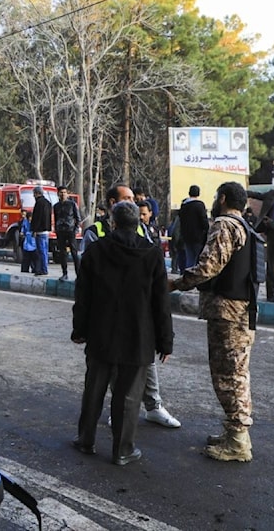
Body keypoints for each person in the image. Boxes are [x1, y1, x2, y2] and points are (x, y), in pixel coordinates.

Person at [71, 200, 173, 466]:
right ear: (138, 223)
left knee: (94, 389)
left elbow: (83, 297)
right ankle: (123, 450)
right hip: (138, 338)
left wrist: (79, 330)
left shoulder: (95, 251)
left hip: (100, 333)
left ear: (113, 223)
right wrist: (166, 341)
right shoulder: (152, 255)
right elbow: (161, 302)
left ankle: (86, 440)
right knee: (128, 397)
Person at [169, 181, 260, 462]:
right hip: (243, 310)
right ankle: (235, 432)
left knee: (227, 375)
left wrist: (176, 283)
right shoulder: (245, 226)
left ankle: (238, 441)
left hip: (227, 312)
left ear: (222, 198)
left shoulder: (224, 224)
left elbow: (209, 267)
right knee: (236, 372)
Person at [82, 183, 181, 429]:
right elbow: (86, 283)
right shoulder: (95, 233)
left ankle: (153, 406)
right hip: (108, 315)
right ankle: (119, 415)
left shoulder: (143, 231)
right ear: (112, 204)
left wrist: (163, 336)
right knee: (113, 368)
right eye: (127, 198)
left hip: (138, 317)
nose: (134, 202)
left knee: (144, 364)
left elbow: (156, 286)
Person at [53, 185, 82, 282]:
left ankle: (79, 274)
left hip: (70, 230)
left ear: (67, 193)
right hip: (60, 231)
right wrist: (56, 229)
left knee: (74, 253)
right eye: (61, 192)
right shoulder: (56, 206)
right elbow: (56, 218)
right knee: (62, 253)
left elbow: (78, 218)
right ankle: (64, 273)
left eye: (64, 192)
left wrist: (76, 229)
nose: (63, 194)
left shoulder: (72, 204)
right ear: (58, 194)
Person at [178, 185, 209, 269]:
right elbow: (204, 221)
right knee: (198, 260)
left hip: (186, 237)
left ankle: (188, 276)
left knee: (189, 259)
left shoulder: (183, 206)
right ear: (198, 193)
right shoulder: (199, 205)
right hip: (198, 237)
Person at [29, 186, 52, 276]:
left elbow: (37, 218)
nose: (33, 195)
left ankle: (42, 269)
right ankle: (44, 268)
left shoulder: (39, 203)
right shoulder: (48, 203)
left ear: (37, 193)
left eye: (34, 193)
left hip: (40, 231)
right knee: (45, 251)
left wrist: (34, 229)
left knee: (41, 251)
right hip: (46, 231)